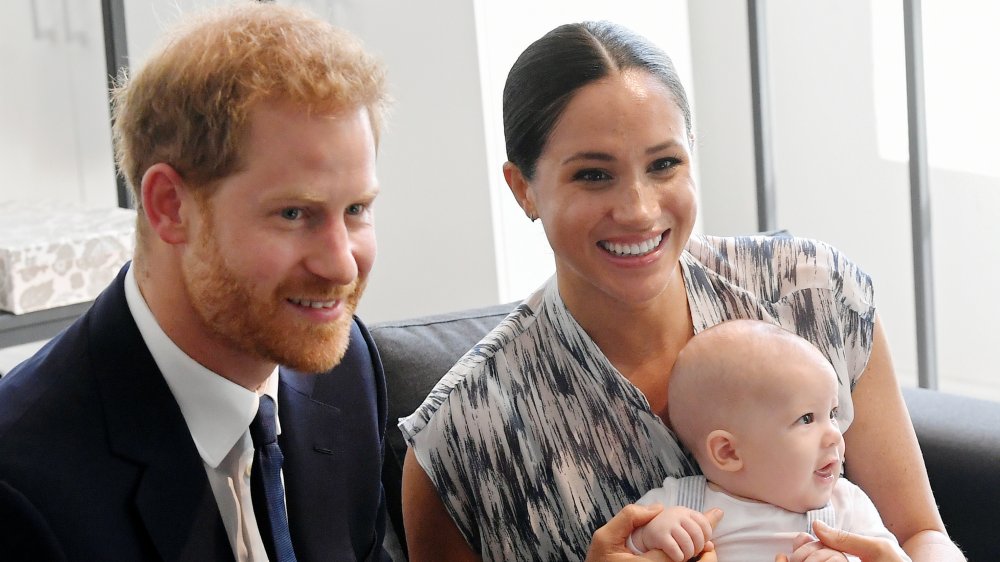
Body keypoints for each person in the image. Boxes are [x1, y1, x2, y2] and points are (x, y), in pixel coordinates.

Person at [399, 20, 963, 562]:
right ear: (522, 188)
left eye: (664, 164)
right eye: (593, 175)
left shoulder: (813, 293)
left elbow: (920, 532)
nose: (640, 210)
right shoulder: (463, 437)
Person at [0, 4, 392, 561]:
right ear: (169, 207)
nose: (342, 266)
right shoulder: (22, 488)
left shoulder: (347, 371)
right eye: (293, 215)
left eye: (356, 209)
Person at [628, 320, 910, 562]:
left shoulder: (846, 506)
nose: (835, 434)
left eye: (833, 414)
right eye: (807, 419)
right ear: (728, 451)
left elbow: (888, 556)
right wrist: (647, 537)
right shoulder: (678, 505)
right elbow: (618, 549)